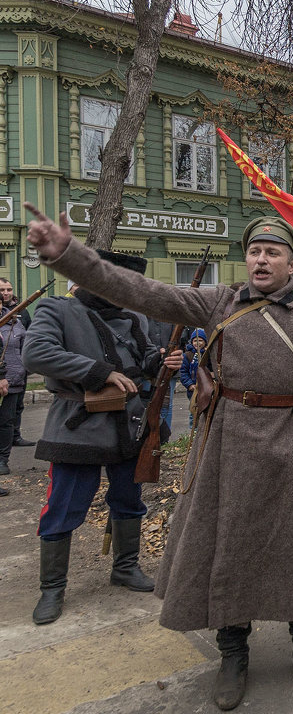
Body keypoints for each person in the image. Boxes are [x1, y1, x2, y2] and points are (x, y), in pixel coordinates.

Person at [23, 205, 293, 712]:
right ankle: (233, 654)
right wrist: (70, 257)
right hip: (226, 443)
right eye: (254, 252)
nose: (262, 260)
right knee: (229, 544)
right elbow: (143, 292)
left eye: (273, 252)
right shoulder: (218, 301)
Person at [21, 247, 182, 625]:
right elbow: (37, 353)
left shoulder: (134, 318)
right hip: (78, 425)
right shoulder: (57, 310)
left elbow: (142, 365)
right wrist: (99, 372)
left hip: (130, 426)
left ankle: (125, 568)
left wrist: (161, 362)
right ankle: (52, 589)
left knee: (128, 500)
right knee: (63, 507)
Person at [0, 278, 35, 447]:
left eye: (9, 289)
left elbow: (28, 336)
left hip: (18, 369)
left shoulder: (21, 311)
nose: (6, 293)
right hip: (4, 369)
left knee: (17, 406)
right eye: (2, 290)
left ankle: (15, 435)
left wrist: (26, 364)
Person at [0, 291, 28, 477]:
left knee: (6, 422)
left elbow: (26, 348)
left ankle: (2, 459)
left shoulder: (14, 323)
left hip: (11, 379)